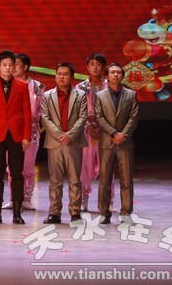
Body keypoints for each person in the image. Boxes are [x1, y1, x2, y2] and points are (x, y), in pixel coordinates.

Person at [0, 51, 33, 225]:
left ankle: (17, 213)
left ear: (15, 67)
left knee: (17, 174)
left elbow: (27, 112)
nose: (8, 68)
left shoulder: (22, 85)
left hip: (16, 134)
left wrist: (26, 136)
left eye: (11, 65)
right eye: (4, 65)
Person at [40, 62, 87, 224]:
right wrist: (60, 135)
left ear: (72, 77)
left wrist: (70, 135)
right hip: (55, 142)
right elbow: (45, 117)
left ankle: (75, 212)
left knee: (75, 179)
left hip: (74, 142)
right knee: (55, 180)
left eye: (65, 74)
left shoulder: (80, 95)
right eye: (59, 74)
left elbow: (83, 117)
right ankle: (54, 213)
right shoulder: (47, 95)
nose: (61, 77)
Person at [95, 62, 139, 225]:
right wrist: (114, 133)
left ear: (122, 76)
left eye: (118, 72)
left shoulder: (131, 95)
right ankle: (104, 213)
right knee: (105, 180)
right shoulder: (100, 95)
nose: (115, 75)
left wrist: (123, 134)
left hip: (125, 143)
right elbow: (99, 117)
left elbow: (133, 117)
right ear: (106, 76)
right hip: (107, 142)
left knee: (126, 180)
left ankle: (126, 213)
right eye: (112, 72)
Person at [7, 53, 46, 211]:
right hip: (11, 132)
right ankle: (13, 198)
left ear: (25, 66)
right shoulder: (7, 84)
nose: (13, 67)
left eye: (16, 64)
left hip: (31, 133)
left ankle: (27, 199)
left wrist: (34, 119)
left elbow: (42, 109)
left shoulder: (38, 86)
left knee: (28, 168)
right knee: (12, 167)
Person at [76, 53, 109, 213]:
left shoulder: (110, 85)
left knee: (107, 166)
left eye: (98, 64)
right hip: (87, 131)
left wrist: (102, 126)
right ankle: (84, 199)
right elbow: (78, 110)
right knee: (85, 166)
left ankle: (108, 201)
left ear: (103, 67)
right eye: (92, 64)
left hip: (106, 132)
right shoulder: (80, 87)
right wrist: (88, 124)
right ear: (87, 67)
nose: (95, 67)